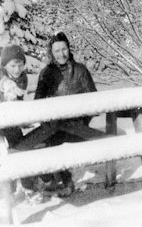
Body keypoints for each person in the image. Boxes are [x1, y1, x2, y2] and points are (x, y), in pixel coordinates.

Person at [34, 31, 97, 195]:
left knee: (57, 142)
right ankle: (52, 181)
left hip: (78, 127)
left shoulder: (81, 71)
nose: (61, 54)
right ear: (51, 53)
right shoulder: (46, 73)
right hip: (53, 126)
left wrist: (82, 122)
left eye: (64, 49)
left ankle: (65, 182)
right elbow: (38, 103)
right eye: (56, 51)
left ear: (69, 49)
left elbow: (95, 101)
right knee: (35, 145)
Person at [0, 44, 28, 149]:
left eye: (20, 65)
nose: (17, 70)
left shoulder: (22, 78)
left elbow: (18, 99)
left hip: (9, 119)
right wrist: (7, 84)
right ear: (5, 65)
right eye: (13, 66)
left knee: (19, 144)